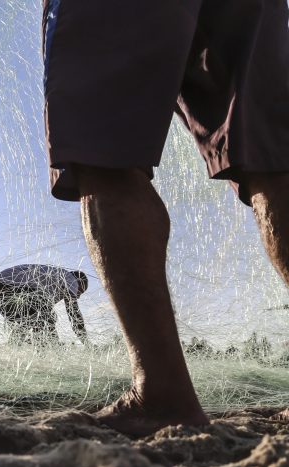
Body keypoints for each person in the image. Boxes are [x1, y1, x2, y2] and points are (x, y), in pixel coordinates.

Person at [40, 1, 289, 435]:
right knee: (273, 160)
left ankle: (161, 395)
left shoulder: (60, 282)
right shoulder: (52, 282)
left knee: (104, 150)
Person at [0, 265, 88, 345]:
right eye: (79, 292)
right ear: (78, 282)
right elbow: (74, 315)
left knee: (27, 322)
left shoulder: (54, 280)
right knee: (45, 317)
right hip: (5, 286)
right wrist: (87, 344)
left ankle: (12, 350)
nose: (77, 296)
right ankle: (47, 351)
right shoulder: (71, 279)